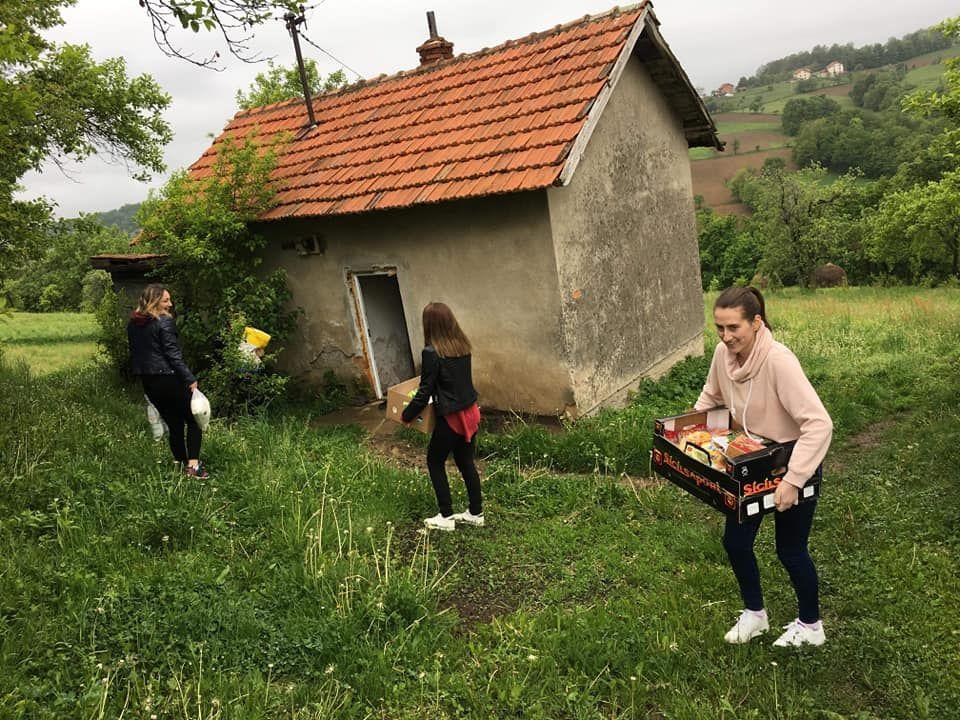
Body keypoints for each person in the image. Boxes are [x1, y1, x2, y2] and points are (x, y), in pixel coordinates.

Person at [695, 286, 832, 647]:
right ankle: (755, 615)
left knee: (790, 549)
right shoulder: (723, 355)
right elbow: (711, 398)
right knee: (736, 543)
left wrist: (793, 480)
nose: (726, 337)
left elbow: (819, 424)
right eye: (719, 328)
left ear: (756, 323)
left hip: (792, 462)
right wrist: (693, 439)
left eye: (734, 328)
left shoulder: (778, 361)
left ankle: (810, 626)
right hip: (751, 462)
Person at [402, 302, 483, 531]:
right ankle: (476, 513)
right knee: (466, 462)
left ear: (429, 325)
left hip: (451, 417)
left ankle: (446, 517)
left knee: (434, 461)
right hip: (471, 412)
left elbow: (424, 390)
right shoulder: (462, 346)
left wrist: (407, 415)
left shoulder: (432, 353)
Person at [127, 284, 209, 479]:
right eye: (165, 300)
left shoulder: (133, 324)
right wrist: (190, 379)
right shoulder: (163, 322)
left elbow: (136, 354)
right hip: (169, 378)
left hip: (149, 382)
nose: (170, 304)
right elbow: (173, 355)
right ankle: (194, 467)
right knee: (195, 420)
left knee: (174, 424)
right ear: (154, 302)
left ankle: (180, 465)